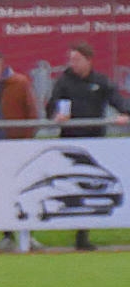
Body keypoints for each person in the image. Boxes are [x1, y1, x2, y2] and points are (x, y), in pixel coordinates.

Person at [46, 43, 130, 251]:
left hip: (95, 142)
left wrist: (125, 114)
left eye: (76, 60)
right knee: (71, 185)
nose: (72, 64)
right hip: (70, 141)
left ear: (88, 60)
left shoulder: (100, 81)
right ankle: (71, 226)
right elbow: (51, 107)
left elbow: (118, 101)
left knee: (91, 185)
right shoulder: (64, 82)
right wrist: (57, 115)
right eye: (71, 60)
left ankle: (83, 233)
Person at [0, 48, 41, 250]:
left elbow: (32, 114)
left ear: (2, 66)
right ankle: (6, 235)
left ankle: (27, 234)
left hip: (16, 147)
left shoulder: (19, 83)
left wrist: (25, 140)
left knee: (25, 191)